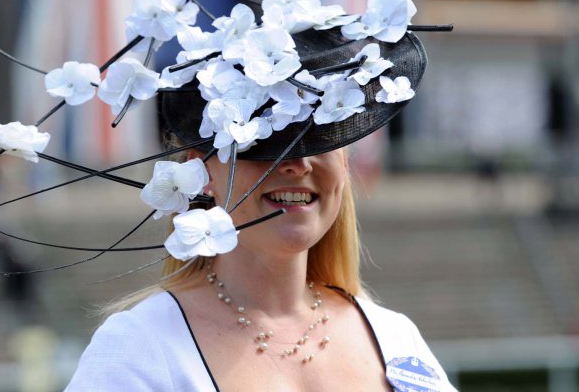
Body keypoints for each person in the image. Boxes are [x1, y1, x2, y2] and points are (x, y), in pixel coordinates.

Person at [65, 23, 458, 391]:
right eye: (261, 141)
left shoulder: (394, 337)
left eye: (320, 137)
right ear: (202, 173)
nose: (296, 164)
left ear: (344, 162)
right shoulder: (142, 347)